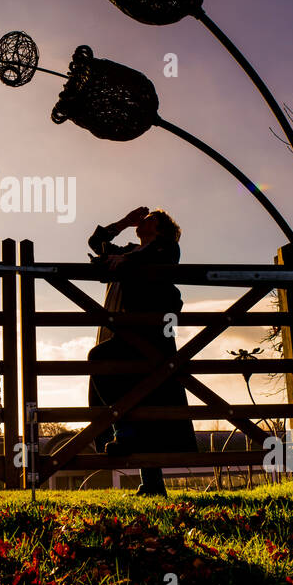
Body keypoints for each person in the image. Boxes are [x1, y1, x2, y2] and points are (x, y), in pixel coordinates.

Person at [86, 206, 198, 496]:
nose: (144, 220)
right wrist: (123, 222)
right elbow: (95, 243)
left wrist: (124, 259)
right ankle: (152, 483)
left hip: (153, 333)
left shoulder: (166, 247)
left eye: (150, 218)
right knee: (138, 399)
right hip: (129, 330)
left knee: (134, 384)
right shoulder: (132, 249)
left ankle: (124, 431)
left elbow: (153, 256)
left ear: (161, 228)